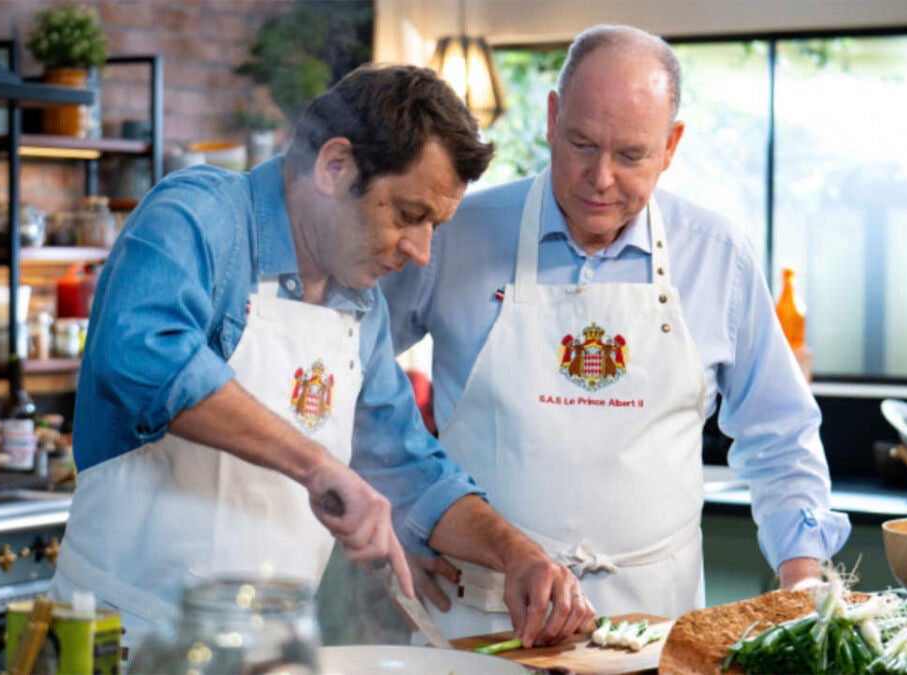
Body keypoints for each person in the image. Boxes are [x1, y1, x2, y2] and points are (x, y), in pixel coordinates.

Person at [51, 64, 594, 657]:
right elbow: (145, 354)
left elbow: (412, 470)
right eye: (408, 215)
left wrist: (519, 555)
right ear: (335, 166)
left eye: (434, 226)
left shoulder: (360, 307)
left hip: (272, 651)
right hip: (127, 639)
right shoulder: (201, 214)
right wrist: (319, 467)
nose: (420, 251)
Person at [380, 25, 851, 638]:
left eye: (630, 156)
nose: (600, 178)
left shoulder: (717, 255)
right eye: (582, 144)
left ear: (670, 146)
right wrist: (397, 511)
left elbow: (780, 434)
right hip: (480, 619)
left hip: (656, 623)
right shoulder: (454, 233)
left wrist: (803, 576)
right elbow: (350, 371)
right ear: (552, 118)